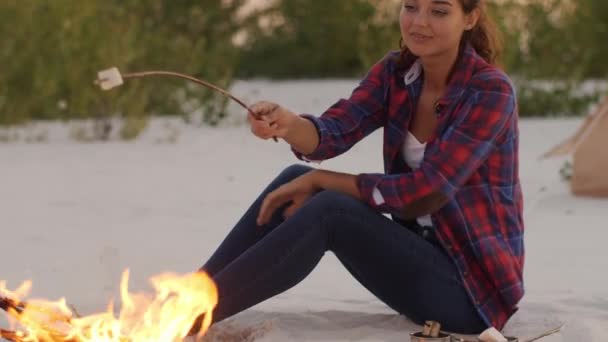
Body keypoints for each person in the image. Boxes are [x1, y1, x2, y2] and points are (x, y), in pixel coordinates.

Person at [192, 0, 524, 335]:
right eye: (411, 7)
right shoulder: (396, 74)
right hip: (415, 257)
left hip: (472, 295)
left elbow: (426, 193)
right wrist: (288, 124)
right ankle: (190, 296)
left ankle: (186, 318)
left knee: (330, 209)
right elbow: (334, 133)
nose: (419, 22)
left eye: (439, 11)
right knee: (299, 179)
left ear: (469, 18)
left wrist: (324, 180)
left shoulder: (490, 91)